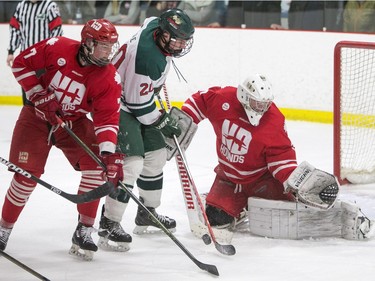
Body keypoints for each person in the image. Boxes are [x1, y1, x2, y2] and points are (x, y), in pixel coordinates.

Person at [180, 74, 374, 241]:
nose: (261, 109)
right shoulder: (223, 99)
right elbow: (200, 101)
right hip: (228, 177)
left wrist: (293, 180)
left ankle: (344, 215)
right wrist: (182, 121)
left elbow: (281, 156)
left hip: (262, 180)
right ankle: (240, 206)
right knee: (216, 218)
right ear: (243, 96)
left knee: (293, 211)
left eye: (265, 104)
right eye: (257, 103)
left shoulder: (273, 120)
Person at [0, 18, 123, 261]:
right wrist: (39, 95)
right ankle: (4, 228)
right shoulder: (57, 47)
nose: (109, 52)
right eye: (103, 46)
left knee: (98, 167)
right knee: (25, 176)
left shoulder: (109, 78)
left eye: (111, 47)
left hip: (72, 123)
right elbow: (21, 64)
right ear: (87, 43)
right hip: (35, 118)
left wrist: (108, 154)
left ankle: (84, 229)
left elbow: (107, 119)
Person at [97, 8, 194, 252]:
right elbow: (137, 105)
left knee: (157, 155)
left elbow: (150, 19)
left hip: (135, 98)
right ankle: (109, 222)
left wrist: (152, 88)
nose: (182, 45)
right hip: (116, 102)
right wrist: (162, 121)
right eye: (178, 39)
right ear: (163, 35)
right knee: (131, 164)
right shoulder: (148, 58)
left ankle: (147, 213)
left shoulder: (154, 24)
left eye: (185, 39)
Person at [6, 0, 63, 105]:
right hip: (25, 60)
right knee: (28, 94)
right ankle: (29, 118)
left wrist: (52, 54)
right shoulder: (21, 6)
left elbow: (57, 32)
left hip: (43, 60)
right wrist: (11, 51)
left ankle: (47, 119)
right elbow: (15, 29)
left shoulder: (50, 6)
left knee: (45, 93)